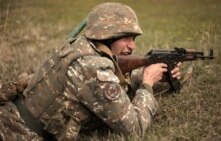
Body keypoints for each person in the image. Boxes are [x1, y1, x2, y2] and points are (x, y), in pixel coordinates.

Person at [0, 2, 181, 141]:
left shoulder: (79, 45)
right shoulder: (93, 69)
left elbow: (109, 80)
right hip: (16, 134)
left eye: (133, 38)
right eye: (126, 37)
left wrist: (144, 76)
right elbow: (135, 129)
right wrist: (147, 84)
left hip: (10, 115)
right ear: (108, 36)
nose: (132, 45)